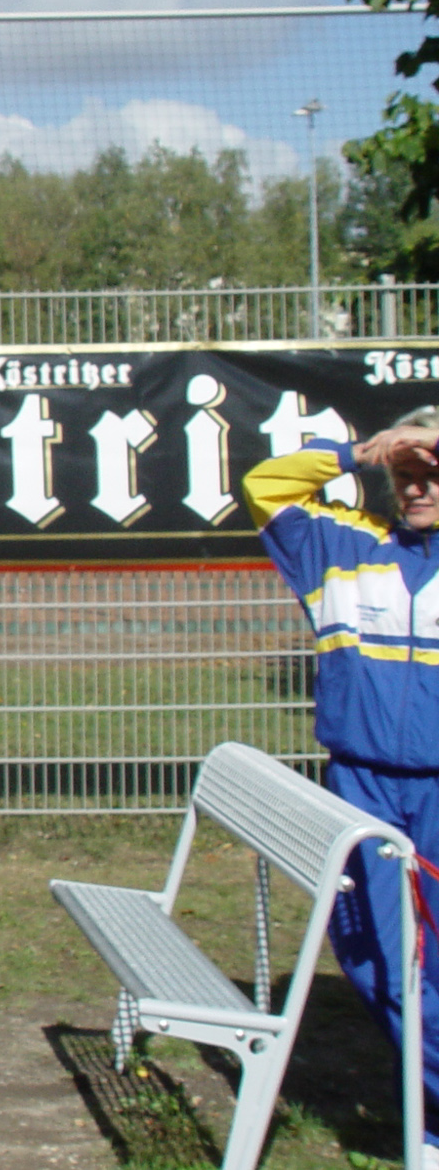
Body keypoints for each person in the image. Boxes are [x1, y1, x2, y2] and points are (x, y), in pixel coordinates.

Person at [244, 408, 439, 1169]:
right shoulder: (340, 546)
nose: (418, 488)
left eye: (433, 476)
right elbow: (266, 486)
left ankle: (429, 1125)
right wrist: (357, 454)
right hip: (361, 788)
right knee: (373, 960)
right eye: (407, 475)